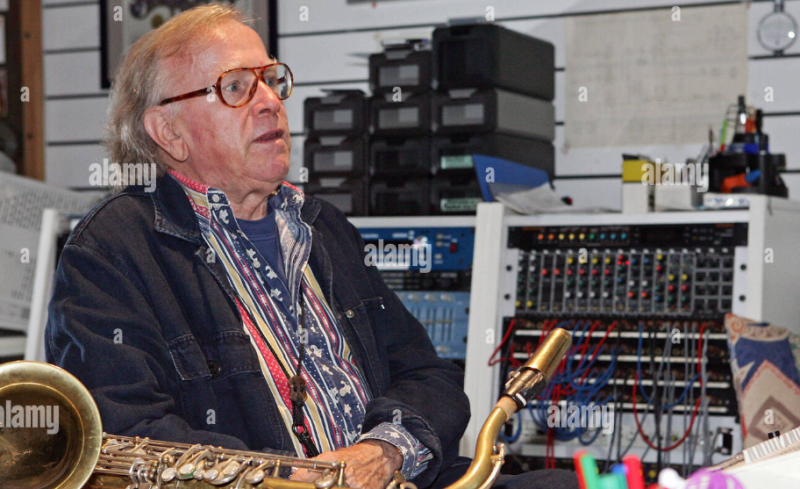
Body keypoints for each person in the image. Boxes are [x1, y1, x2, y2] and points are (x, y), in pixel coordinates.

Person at [45, 5, 577, 489]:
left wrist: (383, 451)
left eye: (271, 80)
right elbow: (128, 436)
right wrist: (294, 478)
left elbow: (429, 376)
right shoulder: (111, 250)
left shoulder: (322, 226)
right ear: (168, 131)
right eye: (236, 87)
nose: (271, 102)